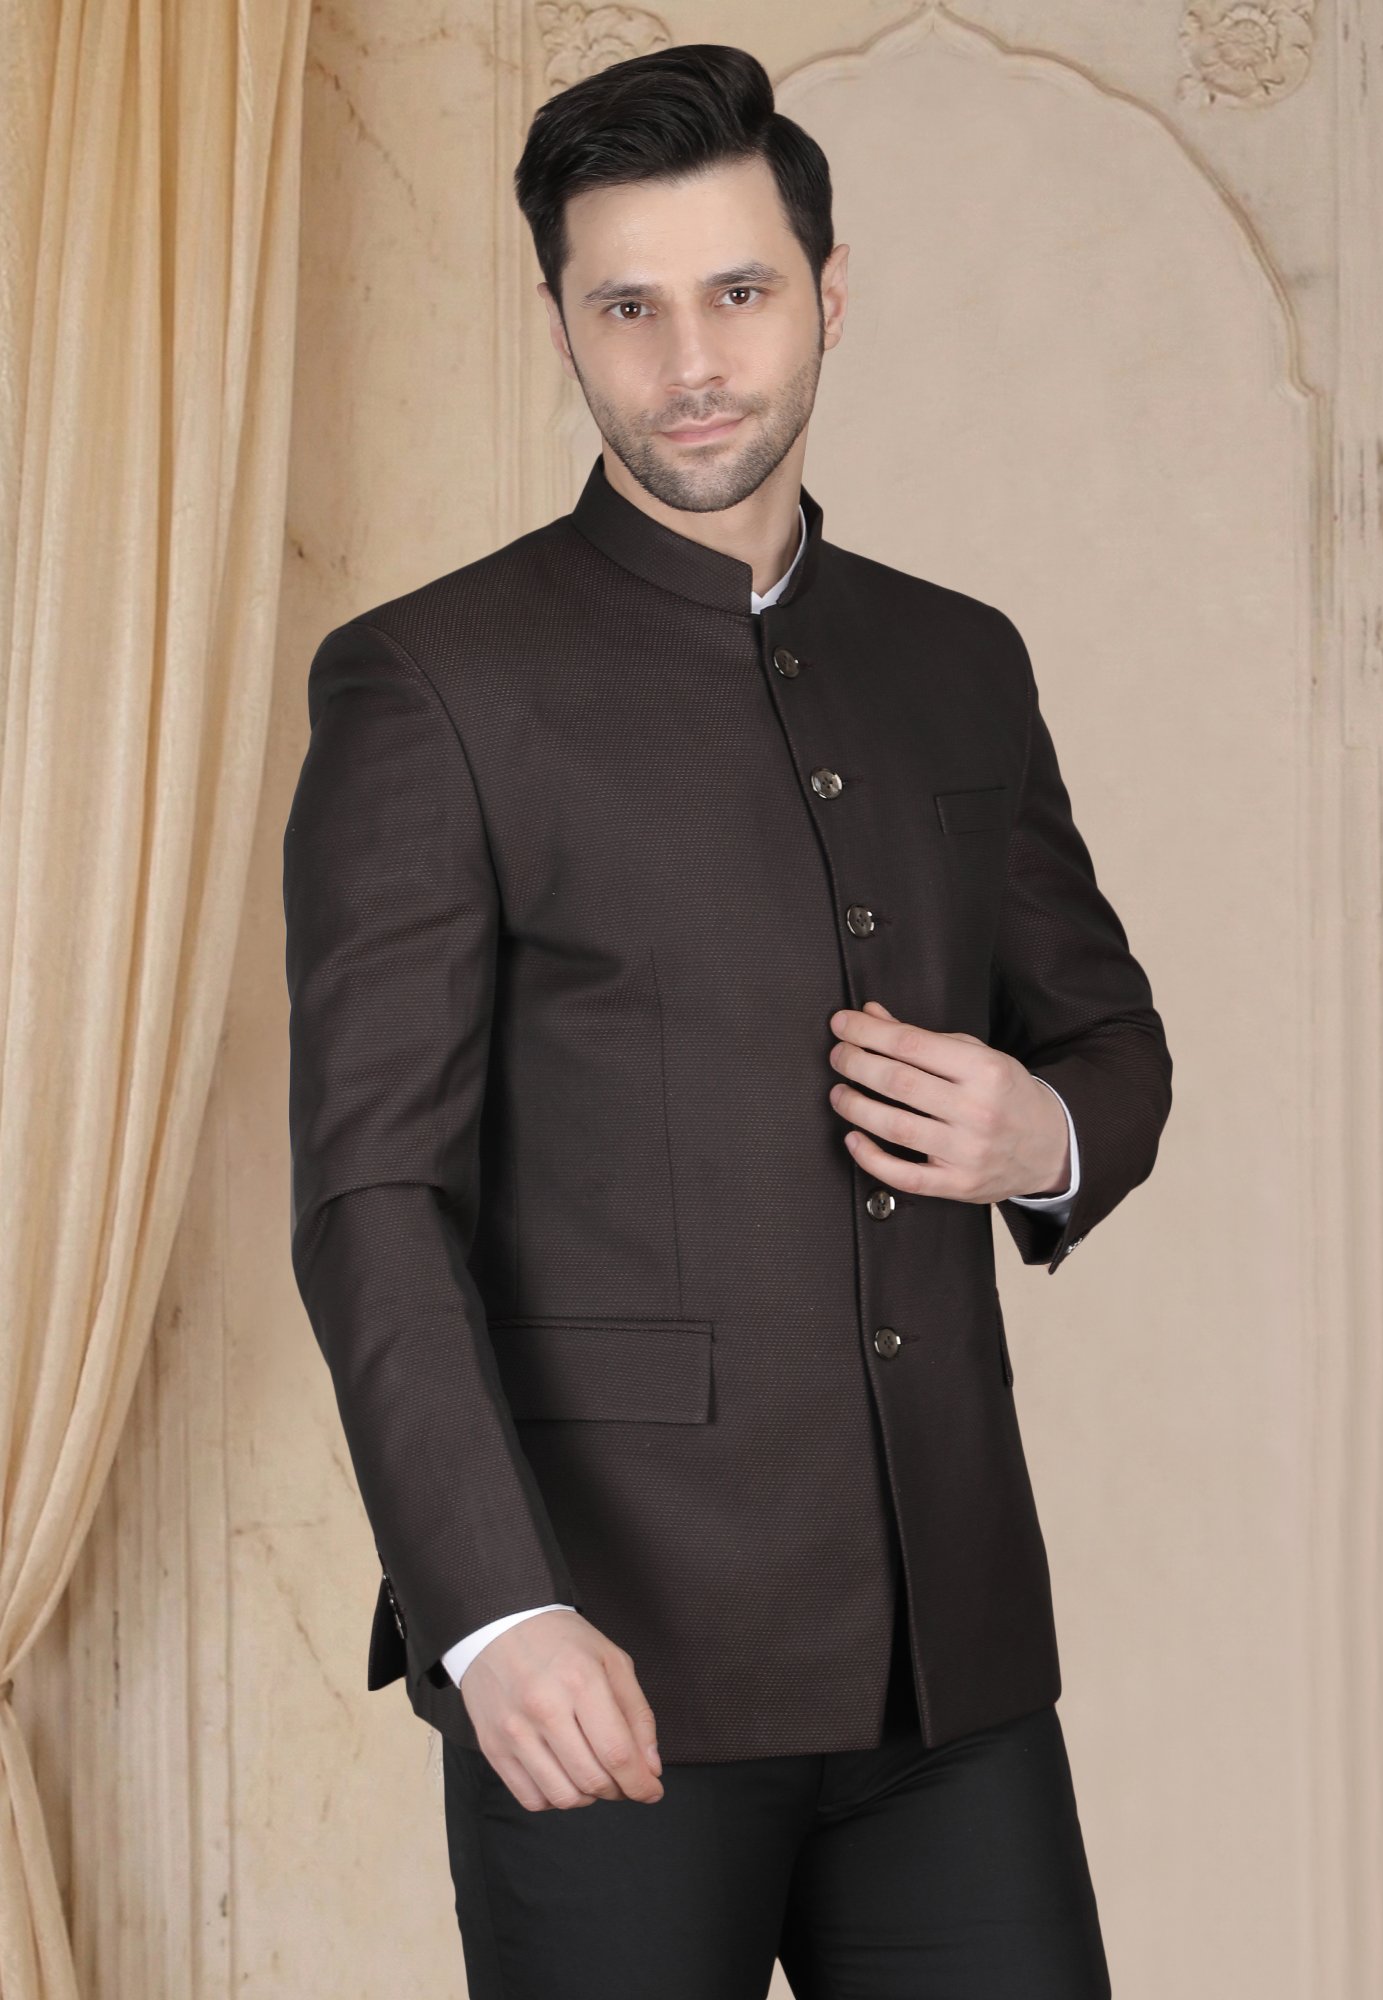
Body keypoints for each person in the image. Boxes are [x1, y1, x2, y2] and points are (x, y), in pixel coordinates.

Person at [282, 41, 1170, 1999]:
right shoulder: (430, 684)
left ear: (829, 295)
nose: (691, 359)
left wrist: (1045, 1135)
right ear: (561, 325)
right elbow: (371, 1200)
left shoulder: (958, 660)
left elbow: (1112, 1040)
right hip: (604, 1665)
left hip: (954, 1673)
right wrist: (493, 1614)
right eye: (629, 306)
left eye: (739, 291)